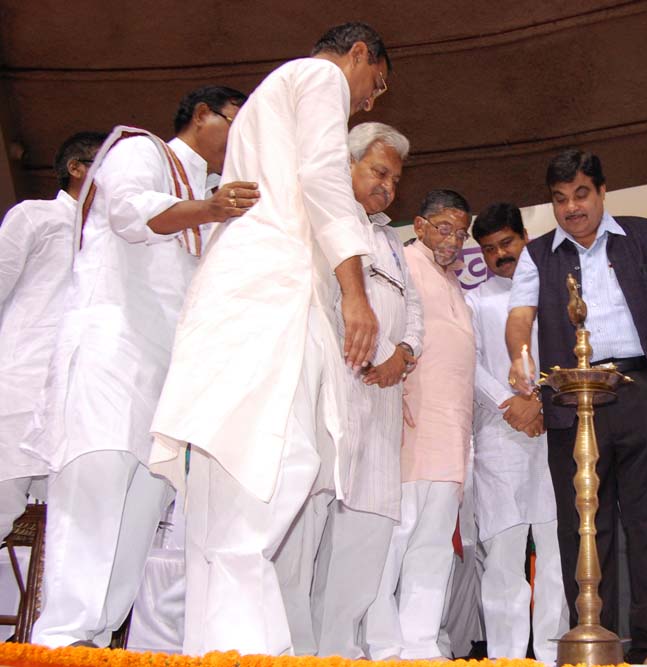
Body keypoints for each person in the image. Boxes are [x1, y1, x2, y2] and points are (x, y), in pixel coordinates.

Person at [149, 23, 390, 656]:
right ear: (358, 54)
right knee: (271, 471)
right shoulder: (317, 76)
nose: (369, 100)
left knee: (227, 509)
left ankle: (221, 649)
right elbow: (321, 175)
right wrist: (355, 291)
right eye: (376, 83)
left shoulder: (271, 94)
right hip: (269, 295)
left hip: (247, 297)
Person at [24, 86, 250, 649]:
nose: (240, 141)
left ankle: (97, 644)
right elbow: (129, 213)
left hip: (170, 372)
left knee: (142, 508)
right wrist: (213, 209)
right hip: (113, 348)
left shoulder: (210, 192)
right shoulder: (139, 149)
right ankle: (60, 640)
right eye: (234, 124)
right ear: (201, 115)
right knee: (96, 490)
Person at [507, 149, 647, 665]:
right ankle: (599, 641)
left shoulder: (642, 236)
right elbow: (520, 317)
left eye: (580, 194)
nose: (571, 208)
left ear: (600, 192)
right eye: (559, 199)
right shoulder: (537, 255)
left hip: (645, 390)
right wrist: (519, 361)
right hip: (571, 400)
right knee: (581, 526)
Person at [304, 122, 423, 658]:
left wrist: (404, 354)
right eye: (379, 173)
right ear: (346, 165)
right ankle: (304, 649)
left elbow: (413, 309)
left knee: (372, 525)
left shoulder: (389, 237)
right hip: (337, 386)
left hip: (384, 395)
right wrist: (369, 358)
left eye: (395, 180)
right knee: (320, 522)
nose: (388, 188)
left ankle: (343, 649)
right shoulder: (326, 217)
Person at [366, 189, 475, 661]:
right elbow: (387, 333)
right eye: (445, 228)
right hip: (410, 424)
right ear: (421, 224)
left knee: (432, 545)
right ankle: (383, 645)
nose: (454, 240)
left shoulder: (454, 284)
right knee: (396, 538)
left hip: (452, 435)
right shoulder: (403, 264)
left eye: (462, 233)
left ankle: (421, 645)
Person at [466, 202, 568, 662]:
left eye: (506, 243)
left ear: (525, 238)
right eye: (489, 249)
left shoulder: (556, 294)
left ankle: (551, 653)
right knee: (504, 551)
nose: (500, 255)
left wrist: (542, 403)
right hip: (499, 433)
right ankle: (506, 657)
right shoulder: (473, 301)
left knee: (554, 547)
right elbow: (466, 365)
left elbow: (568, 356)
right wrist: (513, 405)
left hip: (556, 428)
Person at [0, 131, 105, 540]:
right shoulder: (36, 216)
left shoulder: (117, 236)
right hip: (23, 377)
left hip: (80, 397)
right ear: (76, 168)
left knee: (70, 531)